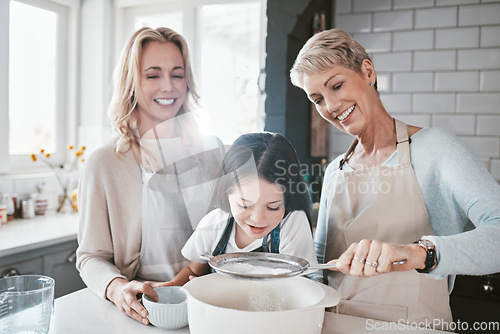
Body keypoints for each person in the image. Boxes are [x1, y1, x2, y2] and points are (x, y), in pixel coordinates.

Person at [290, 28, 500, 327]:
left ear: (367, 71)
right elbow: (319, 270)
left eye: (336, 85)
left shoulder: (435, 149)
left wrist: (418, 253)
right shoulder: (336, 170)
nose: (331, 106)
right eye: (317, 99)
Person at [76, 27, 224, 325]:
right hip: (137, 311)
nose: (168, 86)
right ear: (132, 82)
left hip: (205, 306)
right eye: (153, 75)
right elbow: (90, 256)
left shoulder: (213, 152)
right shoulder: (104, 162)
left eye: (177, 74)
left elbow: (225, 238)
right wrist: (117, 289)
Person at [165, 132, 317, 285]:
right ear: (226, 192)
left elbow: (296, 287)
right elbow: (193, 271)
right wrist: (168, 287)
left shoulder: (292, 224)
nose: (258, 219)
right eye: (244, 205)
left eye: (273, 207)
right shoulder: (215, 222)